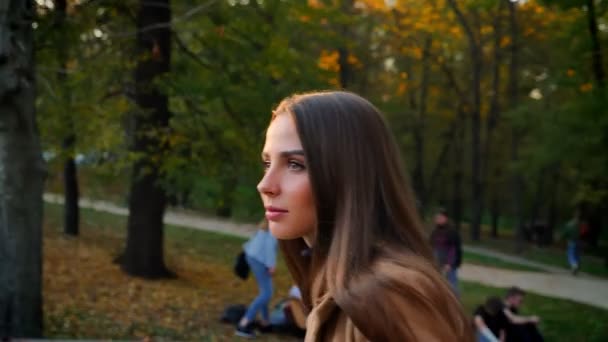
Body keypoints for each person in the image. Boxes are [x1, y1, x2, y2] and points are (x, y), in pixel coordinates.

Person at [257, 91, 473, 341]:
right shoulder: (337, 284)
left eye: (295, 164)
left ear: (348, 175)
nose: (265, 185)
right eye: (267, 163)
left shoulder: (391, 294)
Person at [235, 219, 278, 338]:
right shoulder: (274, 227)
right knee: (267, 293)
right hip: (259, 260)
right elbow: (270, 246)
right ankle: (243, 324)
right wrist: (271, 265)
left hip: (253, 257)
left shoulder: (265, 225)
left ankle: (266, 322)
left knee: (265, 291)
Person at [429, 208, 462, 296]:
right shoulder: (435, 231)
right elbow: (432, 246)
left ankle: (455, 302)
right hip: (437, 261)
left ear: (445, 218)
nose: (437, 219)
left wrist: (449, 264)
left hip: (449, 262)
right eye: (436, 218)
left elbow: (453, 249)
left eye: (439, 217)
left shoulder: (451, 232)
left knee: (452, 284)